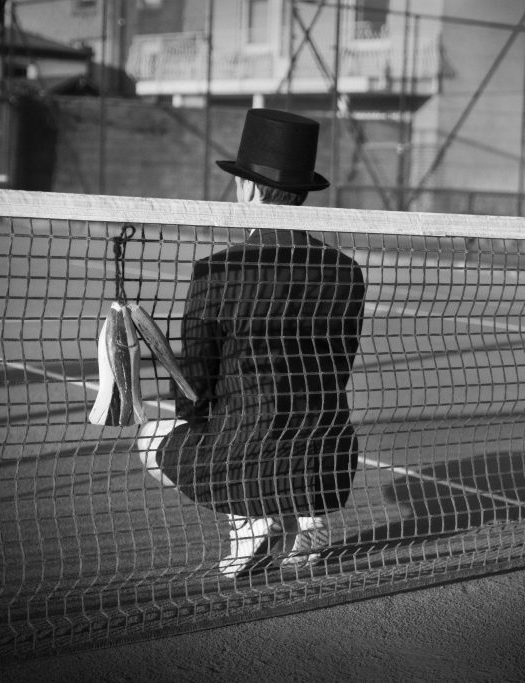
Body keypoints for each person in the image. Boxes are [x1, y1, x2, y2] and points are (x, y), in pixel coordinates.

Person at [138, 109, 366, 578]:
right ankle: (309, 516)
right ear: (301, 192)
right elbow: (338, 366)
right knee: (290, 424)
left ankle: (249, 518)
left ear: (249, 188)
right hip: (328, 461)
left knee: (150, 440)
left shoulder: (218, 271)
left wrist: (199, 428)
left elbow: (195, 383)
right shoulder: (346, 271)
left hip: (244, 454)